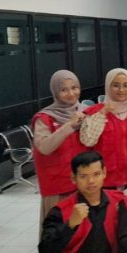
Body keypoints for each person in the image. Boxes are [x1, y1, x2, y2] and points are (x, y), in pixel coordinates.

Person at [32, 70, 88, 220]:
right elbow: (44, 147)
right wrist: (69, 125)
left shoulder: (86, 112)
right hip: (58, 187)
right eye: (64, 90)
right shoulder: (45, 118)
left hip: (84, 183)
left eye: (74, 87)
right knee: (59, 231)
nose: (71, 93)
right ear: (55, 92)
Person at [80, 68, 127, 189]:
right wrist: (103, 112)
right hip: (104, 181)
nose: (121, 90)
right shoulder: (94, 111)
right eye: (116, 85)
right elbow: (88, 140)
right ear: (108, 86)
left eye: (126, 85)